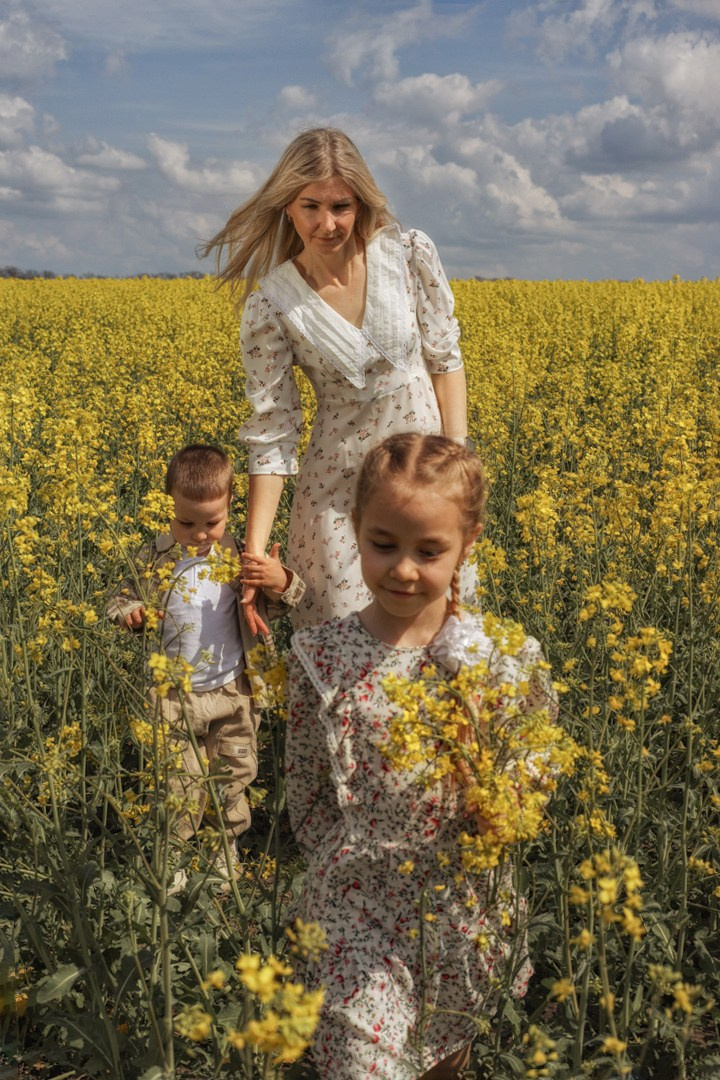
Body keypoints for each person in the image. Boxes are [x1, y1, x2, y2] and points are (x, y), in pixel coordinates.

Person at [284, 433, 558, 1080]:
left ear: (469, 542)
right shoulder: (321, 656)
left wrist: (507, 802)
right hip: (355, 911)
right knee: (362, 1064)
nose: (404, 570)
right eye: (383, 545)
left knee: (445, 1053)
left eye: (429, 551)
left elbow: (536, 760)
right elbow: (306, 786)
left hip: (463, 906)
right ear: (354, 527)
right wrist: (334, 873)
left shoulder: (501, 657)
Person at [201, 127, 470, 632]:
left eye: (341, 206)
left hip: (429, 483)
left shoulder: (408, 255)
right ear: (288, 206)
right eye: (311, 207)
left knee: (433, 638)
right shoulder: (272, 304)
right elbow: (273, 433)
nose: (327, 224)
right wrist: (254, 557)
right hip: (336, 498)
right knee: (345, 642)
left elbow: (444, 358)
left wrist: (459, 464)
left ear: (360, 203)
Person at [107, 444, 304, 888]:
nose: (199, 535)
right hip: (170, 696)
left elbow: (282, 604)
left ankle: (222, 845)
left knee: (232, 774)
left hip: (233, 690)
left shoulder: (240, 555)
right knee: (176, 782)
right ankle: (173, 854)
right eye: (185, 523)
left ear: (231, 506)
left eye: (212, 523)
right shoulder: (154, 557)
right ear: (168, 509)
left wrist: (280, 580)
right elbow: (119, 600)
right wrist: (131, 613)